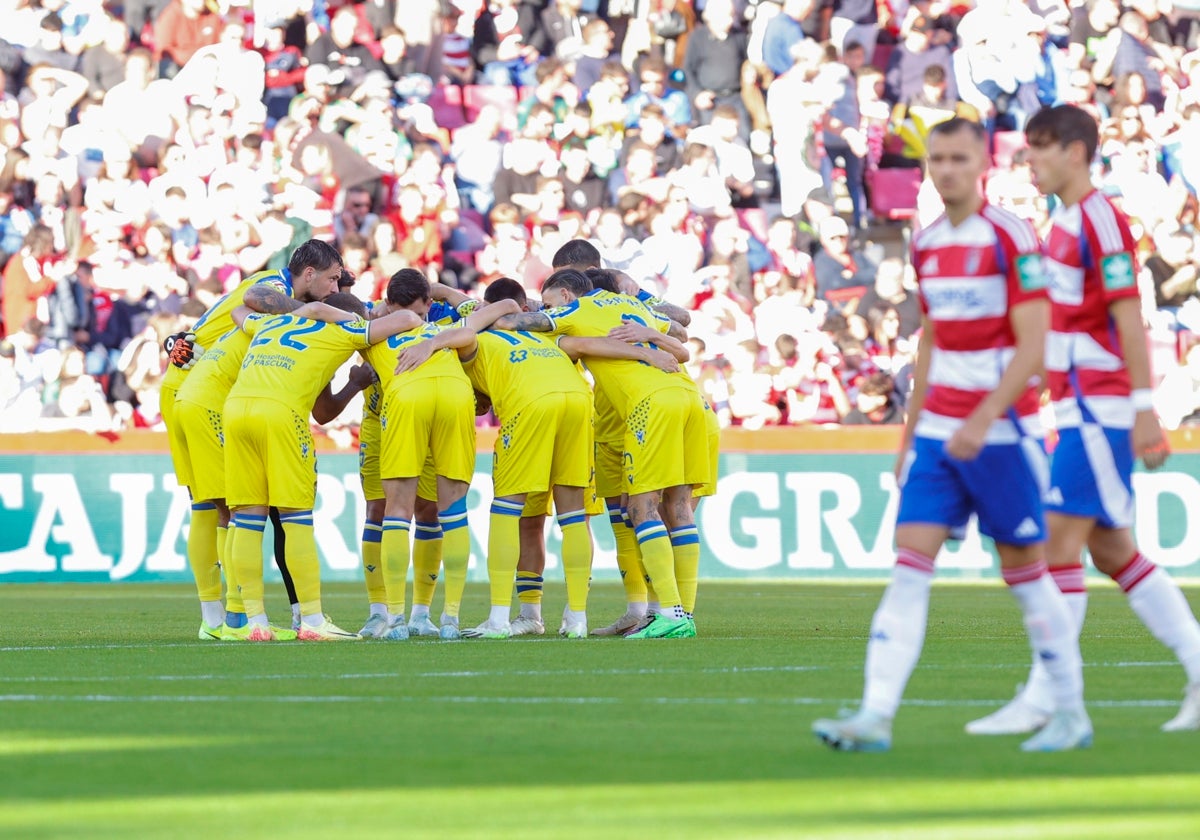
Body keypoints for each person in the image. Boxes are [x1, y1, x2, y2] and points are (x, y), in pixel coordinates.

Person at [812, 118, 1090, 753]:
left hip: (999, 434)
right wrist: (911, 438)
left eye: (959, 158)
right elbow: (931, 339)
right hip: (940, 435)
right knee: (908, 569)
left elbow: (1035, 343)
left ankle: (1070, 713)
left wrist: (986, 416)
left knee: (1024, 573)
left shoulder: (1010, 237)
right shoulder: (929, 241)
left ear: (983, 164)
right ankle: (874, 717)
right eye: (936, 159)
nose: (946, 170)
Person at [966, 104, 1200, 736]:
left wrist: (1146, 408)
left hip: (1102, 408)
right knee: (1114, 551)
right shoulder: (1066, 221)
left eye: (1040, 149)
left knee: (1051, 548)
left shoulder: (1099, 219)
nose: (1030, 161)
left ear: (1074, 151)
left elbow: (1128, 317)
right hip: (1077, 405)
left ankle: (1051, 697)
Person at [494, 268, 707, 639]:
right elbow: (684, 342)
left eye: (548, 302)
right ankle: (682, 614)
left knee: (642, 507)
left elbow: (513, 321)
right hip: (689, 399)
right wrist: (648, 341)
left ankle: (670, 613)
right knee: (679, 506)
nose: (548, 310)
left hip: (649, 403)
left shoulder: (574, 311)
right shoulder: (628, 305)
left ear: (564, 294)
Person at [158, 240, 344, 639]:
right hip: (201, 389)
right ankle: (233, 620)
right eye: (332, 282)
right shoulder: (272, 287)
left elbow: (202, 332)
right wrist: (327, 315)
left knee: (209, 507)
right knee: (230, 510)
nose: (334, 292)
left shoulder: (272, 311)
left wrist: (179, 342)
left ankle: (220, 620)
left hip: (188, 384)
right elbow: (251, 298)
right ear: (307, 273)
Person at [223, 292, 425, 640]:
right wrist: (345, 319)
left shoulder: (272, 322)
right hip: (279, 413)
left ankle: (255, 622)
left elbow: (237, 310)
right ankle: (313, 622)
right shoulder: (341, 330)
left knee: (247, 519)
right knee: (295, 519)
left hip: (236, 410)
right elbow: (409, 320)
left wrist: (304, 311)